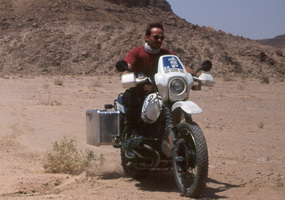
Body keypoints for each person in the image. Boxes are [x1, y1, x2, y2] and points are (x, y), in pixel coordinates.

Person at [119, 22, 195, 133]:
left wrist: (195, 74)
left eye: (162, 37)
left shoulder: (166, 54)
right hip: (139, 90)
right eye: (156, 37)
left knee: (173, 103)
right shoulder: (137, 52)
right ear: (146, 37)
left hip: (160, 91)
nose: (159, 40)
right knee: (131, 101)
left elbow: (181, 67)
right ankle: (133, 134)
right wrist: (126, 72)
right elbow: (127, 66)